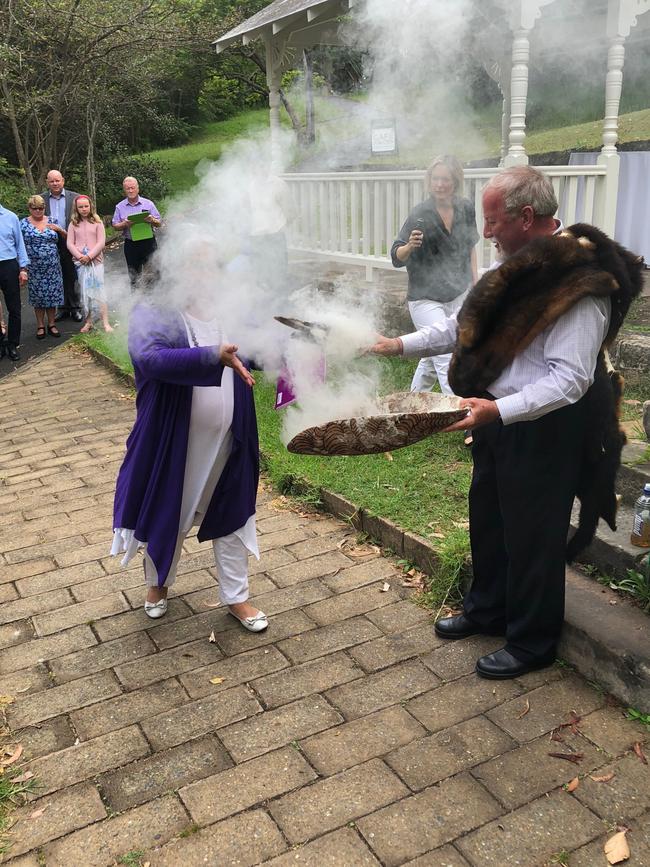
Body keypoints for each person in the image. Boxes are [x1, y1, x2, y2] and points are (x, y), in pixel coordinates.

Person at [371, 166, 642, 679]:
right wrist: (396, 345)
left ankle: (532, 641)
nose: (486, 231)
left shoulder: (578, 283)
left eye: (494, 220)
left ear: (525, 216)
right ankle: (487, 610)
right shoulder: (515, 266)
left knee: (533, 534)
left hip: (546, 426)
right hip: (497, 417)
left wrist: (499, 410)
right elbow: (462, 325)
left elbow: (570, 381)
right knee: (490, 519)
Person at [111, 287, 268, 632]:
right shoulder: (154, 311)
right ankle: (158, 584)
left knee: (234, 514)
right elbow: (150, 359)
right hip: (174, 443)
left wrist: (295, 347)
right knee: (168, 514)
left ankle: (236, 596)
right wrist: (212, 356)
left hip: (232, 438)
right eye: (196, 260)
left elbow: (258, 349)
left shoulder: (232, 305)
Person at [391, 155, 479, 397]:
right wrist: (409, 246)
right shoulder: (421, 213)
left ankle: (412, 404)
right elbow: (396, 255)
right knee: (446, 357)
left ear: (455, 182)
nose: (440, 185)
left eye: (445, 180)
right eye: (435, 179)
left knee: (431, 357)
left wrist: (475, 283)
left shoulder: (465, 208)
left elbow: (470, 246)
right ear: (429, 181)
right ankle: (464, 419)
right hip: (425, 298)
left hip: (459, 293)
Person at [20, 195, 65, 341]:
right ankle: (40, 325)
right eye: (35, 208)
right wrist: (22, 267)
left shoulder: (52, 221)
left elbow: (66, 238)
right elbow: (19, 246)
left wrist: (59, 229)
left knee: (52, 295)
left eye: (41, 208)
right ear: (29, 208)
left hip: (52, 265)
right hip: (33, 267)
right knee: (38, 297)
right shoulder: (23, 224)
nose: (38, 211)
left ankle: (52, 324)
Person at [41, 170, 83, 322]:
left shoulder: (75, 197)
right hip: (51, 244)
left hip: (72, 242)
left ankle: (76, 307)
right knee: (57, 277)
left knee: (72, 276)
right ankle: (63, 308)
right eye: (52, 181)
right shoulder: (41, 199)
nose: (55, 183)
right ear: (47, 182)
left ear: (63, 181)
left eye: (57, 180)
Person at [67, 195, 111, 333]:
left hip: (95, 262)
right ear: (76, 208)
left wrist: (90, 256)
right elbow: (69, 243)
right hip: (81, 263)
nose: (84, 209)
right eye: (81, 207)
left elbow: (101, 242)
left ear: (90, 206)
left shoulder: (97, 222)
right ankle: (89, 321)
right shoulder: (73, 224)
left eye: (86, 206)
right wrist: (80, 256)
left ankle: (105, 322)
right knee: (85, 292)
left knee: (99, 290)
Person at [111, 177, 161, 288]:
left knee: (153, 271)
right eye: (127, 188)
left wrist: (152, 220)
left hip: (148, 242)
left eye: (132, 188)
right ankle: (136, 300)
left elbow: (159, 223)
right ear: (124, 190)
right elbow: (115, 225)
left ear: (138, 189)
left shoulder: (148, 204)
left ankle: (155, 299)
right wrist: (125, 224)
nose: (130, 191)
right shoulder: (120, 207)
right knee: (134, 274)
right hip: (131, 244)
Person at [0, 201, 29, 361]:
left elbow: (20, 244)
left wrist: (23, 268)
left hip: (9, 264)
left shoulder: (11, 217)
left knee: (14, 307)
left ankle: (12, 344)